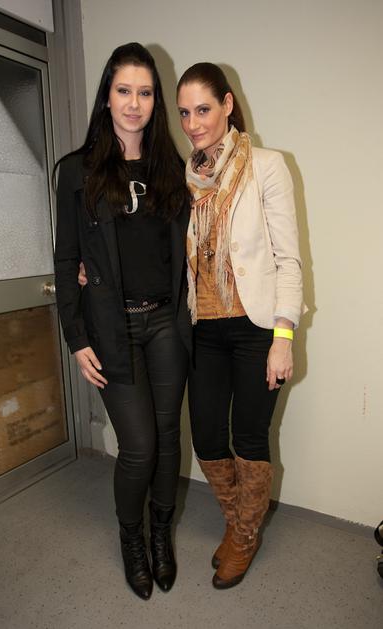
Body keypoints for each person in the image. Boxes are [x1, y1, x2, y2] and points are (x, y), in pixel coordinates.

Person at [54, 43, 191, 600]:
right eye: (124, 90)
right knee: (138, 446)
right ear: (107, 97)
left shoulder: (173, 169)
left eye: (145, 92)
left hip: (166, 324)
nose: (134, 103)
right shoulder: (77, 171)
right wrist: (75, 335)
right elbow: (66, 259)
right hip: (113, 329)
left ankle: (161, 534)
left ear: (156, 101)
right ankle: (132, 538)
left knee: (167, 437)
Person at [176, 62, 306, 589]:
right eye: (184, 113)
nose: (193, 123)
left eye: (203, 109)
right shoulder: (186, 178)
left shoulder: (268, 166)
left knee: (249, 437)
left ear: (228, 105)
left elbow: (289, 261)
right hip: (204, 328)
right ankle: (238, 524)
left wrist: (283, 337)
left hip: (256, 328)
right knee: (207, 436)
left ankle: (245, 537)